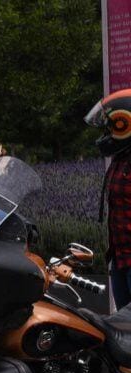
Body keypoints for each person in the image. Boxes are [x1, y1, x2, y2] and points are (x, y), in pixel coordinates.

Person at [88, 89, 131, 308]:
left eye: (110, 128)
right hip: (120, 257)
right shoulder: (121, 158)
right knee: (124, 329)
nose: (106, 135)